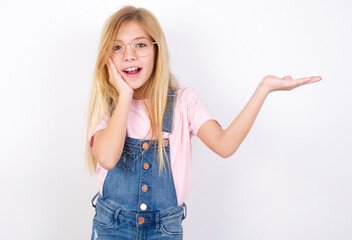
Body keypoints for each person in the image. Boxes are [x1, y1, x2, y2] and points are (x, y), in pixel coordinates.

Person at [85, 5, 322, 240]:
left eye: (140, 44)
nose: (129, 55)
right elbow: (107, 157)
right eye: (118, 47)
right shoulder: (107, 106)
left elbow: (225, 145)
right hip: (111, 228)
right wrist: (125, 95)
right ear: (108, 57)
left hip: (163, 231)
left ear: (157, 50)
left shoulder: (183, 103)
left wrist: (264, 88)